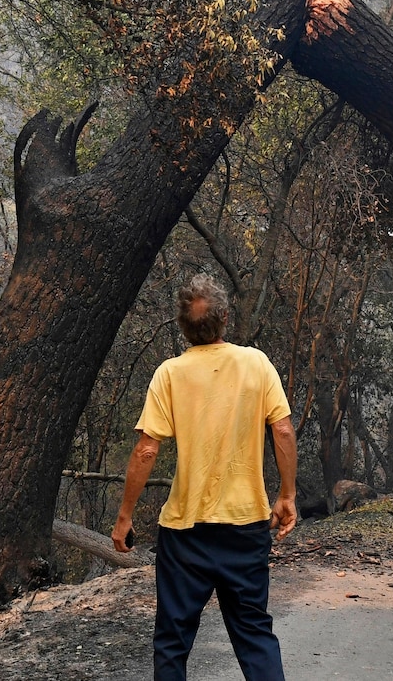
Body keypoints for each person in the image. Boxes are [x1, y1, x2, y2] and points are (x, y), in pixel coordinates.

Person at [112, 273, 298, 681]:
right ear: (225, 318)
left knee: (173, 641)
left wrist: (125, 516)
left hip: (185, 532)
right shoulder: (256, 363)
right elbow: (282, 430)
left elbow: (146, 449)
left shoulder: (169, 374)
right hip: (246, 526)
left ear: (182, 325)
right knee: (253, 634)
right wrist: (287, 495)